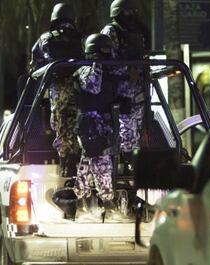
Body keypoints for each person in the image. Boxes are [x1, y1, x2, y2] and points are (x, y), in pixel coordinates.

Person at [29, 3, 83, 177]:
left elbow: (34, 67)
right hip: (81, 88)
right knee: (80, 124)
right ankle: (79, 160)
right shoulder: (81, 38)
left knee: (61, 125)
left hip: (59, 89)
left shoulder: (46, 38)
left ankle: (67, 163)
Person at [72, 33, 118, 213]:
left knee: (88, 160)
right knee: (100, 159)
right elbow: (93, 86)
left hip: (103, 122)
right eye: (104, 51)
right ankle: (106, 201)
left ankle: (81, 199)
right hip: (90, 123)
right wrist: (98, 65)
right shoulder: (85, 70)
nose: (108, 54)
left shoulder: (109, 71)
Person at [100, 0, 149, 170]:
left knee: (135, 131)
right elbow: (106, 62)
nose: (130, 15)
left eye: (131, 11)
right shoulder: (110, 32)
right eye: (126, 12)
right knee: (125, 129)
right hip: (120, 91)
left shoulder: (135, 32)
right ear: (118, 12)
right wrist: (128, 70)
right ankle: (125, 161)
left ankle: (132, 162)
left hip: (137, 91)